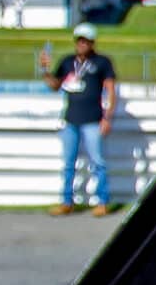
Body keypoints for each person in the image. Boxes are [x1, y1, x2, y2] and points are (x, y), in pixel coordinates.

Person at [38, 23, 117, 216]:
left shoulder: (102, 62)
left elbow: (111, 90)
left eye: (86, 41)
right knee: (68, 163)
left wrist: (107, 117)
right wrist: (45, 71)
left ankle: (103, 201)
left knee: (97, 162)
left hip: (93, 120)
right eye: (79, 40)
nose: (82, 44)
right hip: (71, 119)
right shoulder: (67, 62)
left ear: (92, 43)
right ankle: (67, 201)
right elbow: (55, 85)